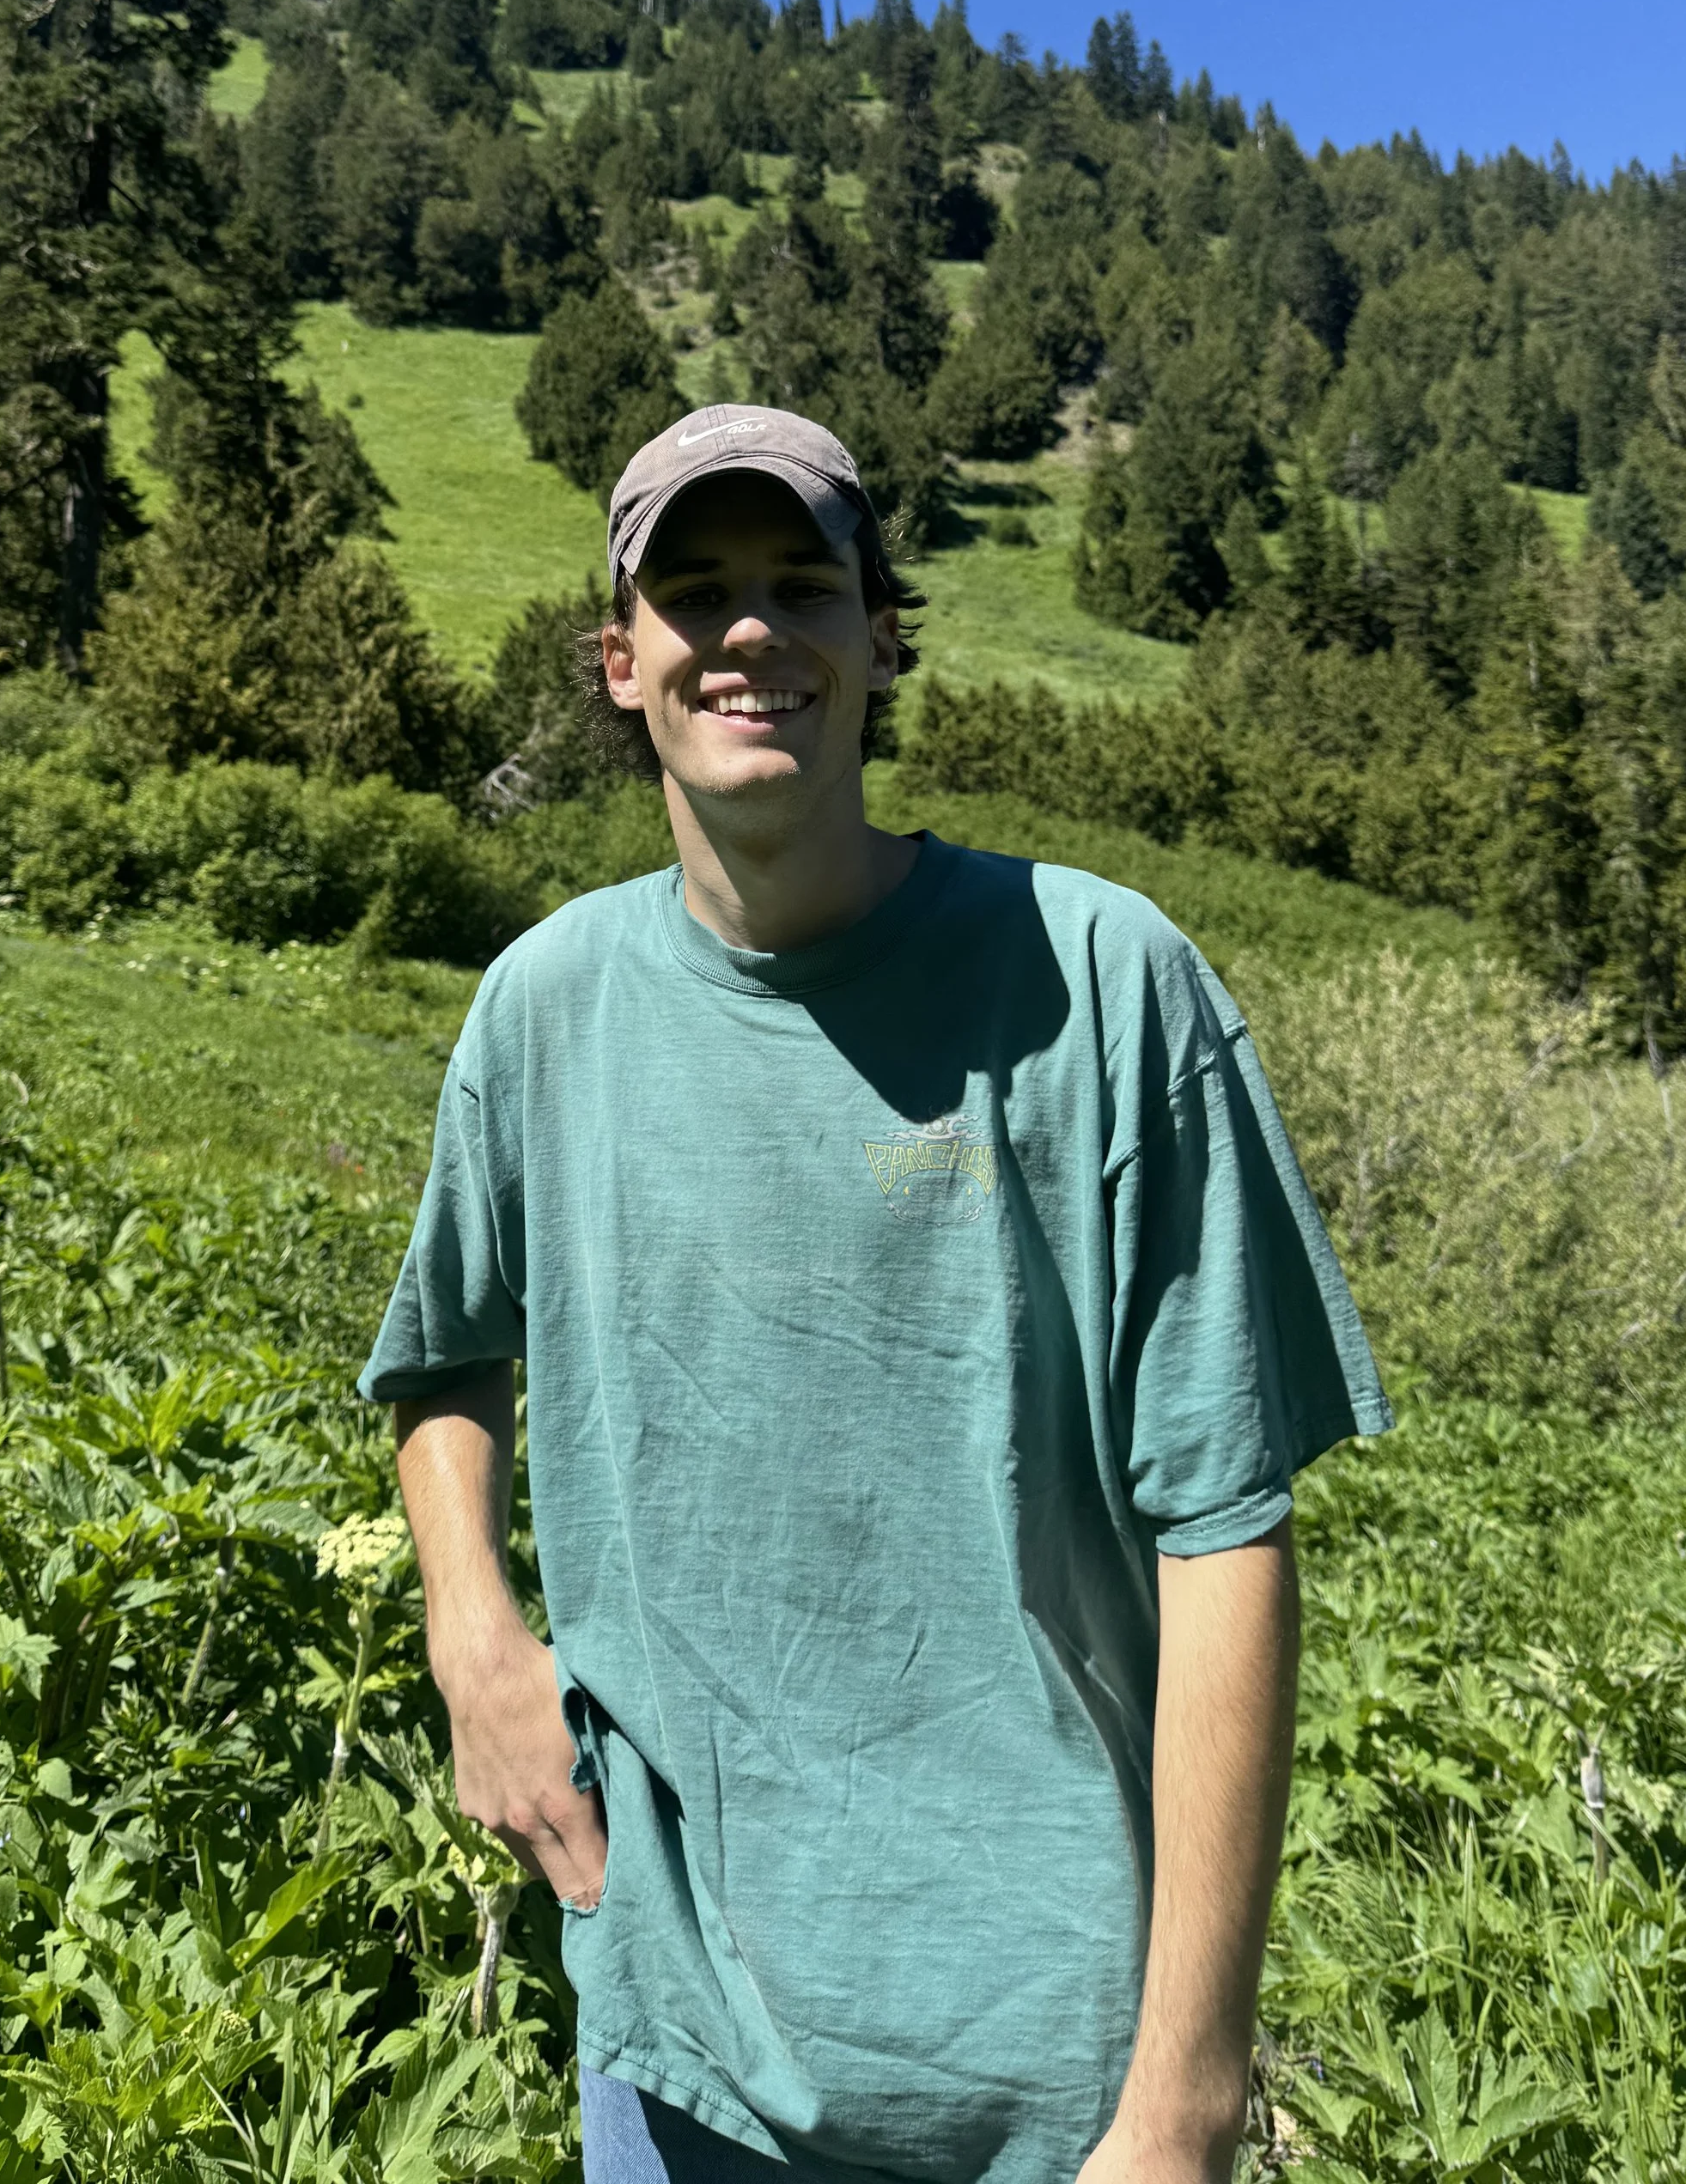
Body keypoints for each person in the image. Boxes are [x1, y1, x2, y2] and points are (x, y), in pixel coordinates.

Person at [362, 404, 1391, 2184]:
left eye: (799, 585)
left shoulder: (1099, 984)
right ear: (622, 665)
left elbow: (1221, 1528)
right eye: (692, 593)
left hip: (1051, 2058)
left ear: (881, 636)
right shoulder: (543, 1009)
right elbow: (446, 1354)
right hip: (675, 2039)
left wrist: (1183, 2102)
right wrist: (473, 1632)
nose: (745, 630)